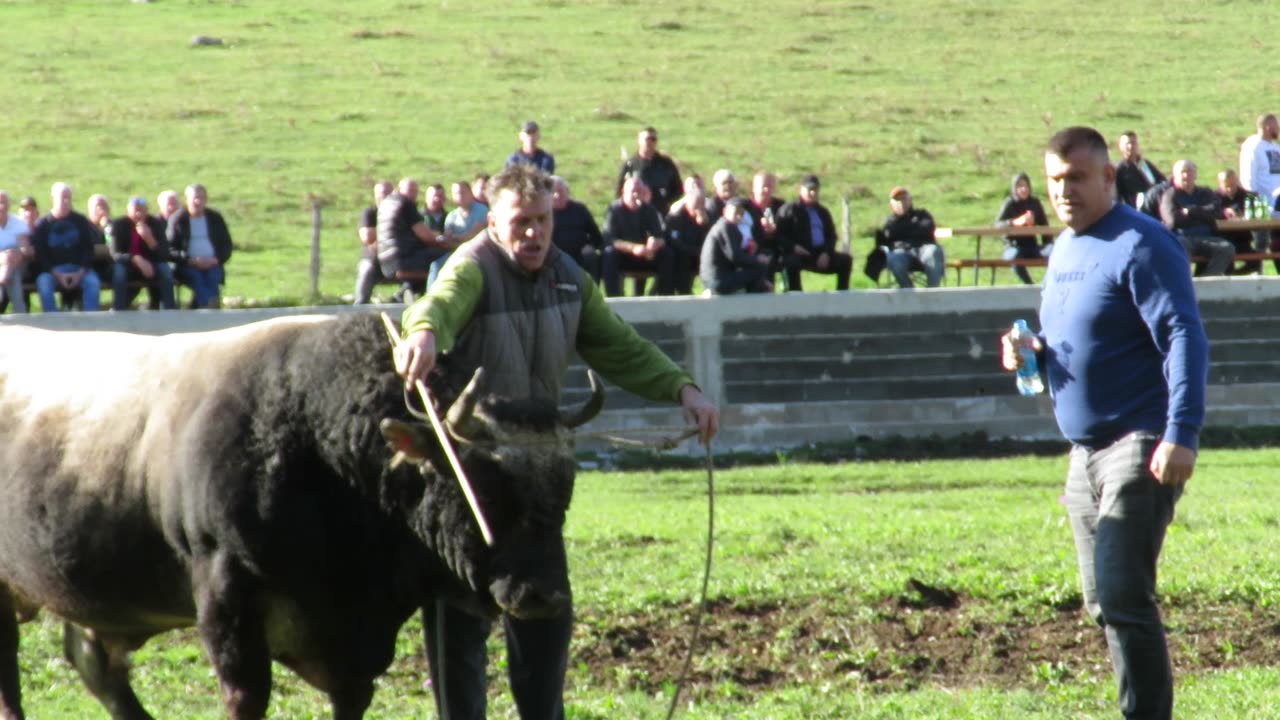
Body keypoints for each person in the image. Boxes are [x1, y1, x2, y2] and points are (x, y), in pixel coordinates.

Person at [393, 163, 719, 720]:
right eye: (520, 221)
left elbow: (620, 346)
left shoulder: (570, 277)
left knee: (544, 626)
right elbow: (441, 302)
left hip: (537, 486)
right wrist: (423, 332)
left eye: (542, 220)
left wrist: (682, 388)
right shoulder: (470, 267)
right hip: (473, 488)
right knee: (460, 641)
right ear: (492, 223)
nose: (533, 233)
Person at [1002, 126, 1206, 720]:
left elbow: (1183, 335)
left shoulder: (1142, 243)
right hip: (1081, 454)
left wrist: (1181, 432)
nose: (1064, 191)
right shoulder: (1066, 247)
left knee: (1122, 594)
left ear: (1108, 177)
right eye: (1054, 180)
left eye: (1076, 178)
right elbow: (1081, 336)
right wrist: (1029, 351)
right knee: (1105, 602)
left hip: (1139, 443)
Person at [376, 178, 456, 295]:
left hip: (387, 261)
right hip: (404, 260)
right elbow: (426, 237)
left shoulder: (386, 204)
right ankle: (433, 296)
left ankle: (403, 294)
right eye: (410, 190)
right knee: (448, 257)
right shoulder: (406, 204)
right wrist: (449, 245)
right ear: (399, 189)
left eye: (415, 191)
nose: (413, 195)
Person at [30, 182, 102, 312]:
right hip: (52, 271)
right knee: (43, 282)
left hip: (79, 269)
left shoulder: (80, 221)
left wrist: (80, 273)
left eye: (68, 197)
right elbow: (41, 255)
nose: (65, 201)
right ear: (53, 199)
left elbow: (88, 250)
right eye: (62, 197)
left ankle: (92, 320)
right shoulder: (43, 224)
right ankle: (53, 321)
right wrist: (57, 274)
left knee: (93, 282)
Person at [1156, 160, 1235, 276]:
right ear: (1175, 176)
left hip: (1206, 238)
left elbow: (1216, 212)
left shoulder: (1205, 193)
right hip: (1182, 237)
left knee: (1227, 248)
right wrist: (1203, 215)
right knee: (1181, 247)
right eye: (1182, 172)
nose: (1186, 175)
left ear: (1195, 174)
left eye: (1189, 171)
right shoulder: (1169, 195)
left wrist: (1191, 211)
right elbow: (1173, 220)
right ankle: (1184, 282)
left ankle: (1206, 281)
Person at [600, 176, 675, 296]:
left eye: (639, 192)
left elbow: (661, 236)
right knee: (609, 254)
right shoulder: (614, 210)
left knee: (667, 254)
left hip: (646, 255)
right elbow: (609, 239)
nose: (636, 195)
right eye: (633, 192)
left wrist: (655, 242)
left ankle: (665, 298)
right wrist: (633, 248)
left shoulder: (649, 209)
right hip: (624, 256)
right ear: (624, 193)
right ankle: (614, 299)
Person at [777, 174, 853, 291]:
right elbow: (780, 235)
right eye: (810, 190)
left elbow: (831, 235)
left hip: (820, 253)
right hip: (799, 253)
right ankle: (796, 297)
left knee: (845, 260)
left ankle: (842, 297)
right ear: (801, 190)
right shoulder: (789, 209)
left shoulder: (823, 212)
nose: (813, 193)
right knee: (791, 262)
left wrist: (826, 253)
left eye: (816, 190)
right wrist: (793, 247)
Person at [167, 183, 233, 308]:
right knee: (197, 278)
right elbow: (169, 249)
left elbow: (227, 245)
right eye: (194, 198)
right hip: (187, 265)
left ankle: (203, 308)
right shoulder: (178, 219)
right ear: (187, 200)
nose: (197, 201)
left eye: (201, 198)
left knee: (213, 278)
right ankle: (210, 308)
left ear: (206, 199)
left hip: (212, 263)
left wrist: (216, 259)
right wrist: (190, 261)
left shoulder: (215, 218)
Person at [107, 196, 176, 310]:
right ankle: (118, 308)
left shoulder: (156, 224)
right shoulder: (119, 224)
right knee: (119, 272)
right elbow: (115, 254)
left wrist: (149, 239)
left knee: (165, 270)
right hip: (128, 264)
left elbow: (163, 254)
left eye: (142, 210)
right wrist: (136, 259)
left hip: (151, 264)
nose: (138, 214)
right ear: (128, 211)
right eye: (135, 210)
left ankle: (169, 309)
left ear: (147, 211)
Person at [869, 186, 944, 288]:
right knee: (893, 258)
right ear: (892, 205)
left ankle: (933, 294)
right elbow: (887, 238)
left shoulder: (922, 214)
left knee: (934, 251)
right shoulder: (890, 221)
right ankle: (909, 292)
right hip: (902, 252)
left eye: (904, 198)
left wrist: (902, 230)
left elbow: (927, 229)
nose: (901, 202)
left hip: (924, 249)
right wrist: (912, 227)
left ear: (910, 200)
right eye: (897, 200)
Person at [700, 198, 773, 295]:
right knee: (759, 268)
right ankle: (754, 303)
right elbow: (735, 257)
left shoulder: (727, 227)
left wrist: (751, 251)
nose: (739, 215)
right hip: (717, 280)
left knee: (761, 261)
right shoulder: (725, 226)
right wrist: (757, 259)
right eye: (736, 211)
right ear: (725, 211)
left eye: (742, 212)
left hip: (718, 278)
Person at [993, 172, 1053, 285]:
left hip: (1032, 246)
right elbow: (998, 225)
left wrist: (1048, 244)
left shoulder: (1035, 203)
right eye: (1020, 186)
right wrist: (1015, 222)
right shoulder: (1010, 203)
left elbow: (1045, 227)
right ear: (1015, 188)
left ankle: (1046, 285)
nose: (1024, 189)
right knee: (1014, 257)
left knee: (1055, 252)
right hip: (1013, 247)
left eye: (1026, 186)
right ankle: (1029, 285)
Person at [615, 126, 683, 215]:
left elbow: (678, 189)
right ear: (639, 141)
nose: (650, 142)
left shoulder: (666, 164)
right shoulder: (630, 165)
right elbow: (619, 191)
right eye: (647, 139)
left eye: (653, 139)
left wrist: (666, 203)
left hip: (661, 213)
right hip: (636, 214)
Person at [550, 175, 604, 281]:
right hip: (554, 252)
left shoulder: (580, 209)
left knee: (590, 255)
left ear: (567, 192)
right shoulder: (544, 213)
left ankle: (592, 293)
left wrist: (591, 246)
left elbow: (595, 235)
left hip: (580, 251)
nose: (556, 195)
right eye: (552, 192)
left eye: (560, 191)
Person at [664, 177, 712, 294]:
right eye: (695, 205)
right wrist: (697, 251)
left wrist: (705, 226)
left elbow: (713, 240)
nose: (698, 209)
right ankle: (683, 293)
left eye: (701, 205)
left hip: (701, 255)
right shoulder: (676, 217)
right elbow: (675, 242)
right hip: (683, 256)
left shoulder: (709, 217)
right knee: (680, 258)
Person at [1215, 168, 1266, 274]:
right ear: (1219, 184)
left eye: (1232, 185)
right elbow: (1209, 214)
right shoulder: (1212, 197)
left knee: (1256, 261)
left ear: (1237, 182)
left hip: (1242, 240)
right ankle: (1229, 279)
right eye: (1226, 186)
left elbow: (1259, 219)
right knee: (1226, 259)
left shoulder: (1249, 196)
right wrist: (1224, 213)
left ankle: (1235, 277)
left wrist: (1249, 216)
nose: (1230, 189)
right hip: (1222, 240)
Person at [353, 180, 395, 305]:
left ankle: (400, 296)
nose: (386, 196)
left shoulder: (399, 213)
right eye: (382, 193)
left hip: (395, 257)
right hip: (373, 257)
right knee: (367, 269)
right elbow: (367, 237)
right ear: (375, 195)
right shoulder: (370, 213)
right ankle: (359, 305)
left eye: (389, 193)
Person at [1238, 113, 1280, 212]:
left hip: (1277, 198)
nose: (1278, 130)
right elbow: (1248, 175)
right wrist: (1254, 199)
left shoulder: (1275, 147)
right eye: (1277, 127)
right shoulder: (1253, 146)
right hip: (1264, 202)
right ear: (1268, 128)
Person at [1114, 131, 1167, 208]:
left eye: (1133, 143)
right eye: (1127, 144)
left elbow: (1161, 181)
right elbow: (1117, 195)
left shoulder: (1144, 164)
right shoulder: (1119, 169)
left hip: (1152, 205)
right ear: (1120, 146)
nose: (1130, 146)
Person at [0, 190, 31, 312]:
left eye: (4, 203)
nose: (1, 206)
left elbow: (24, 248)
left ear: (9, 205)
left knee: (13, 263)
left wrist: (10, 260)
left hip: (18, 264)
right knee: (12, 274)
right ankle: (20, 311)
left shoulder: (18, 224)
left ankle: (4, 278)